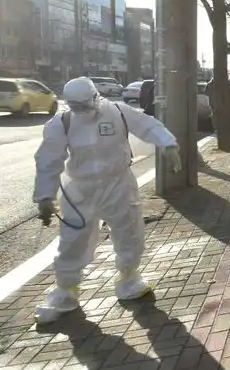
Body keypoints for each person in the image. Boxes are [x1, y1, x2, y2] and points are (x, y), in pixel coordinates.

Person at [31, 76, 182, 323]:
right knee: (72, 240)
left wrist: (168, 144)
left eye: (85, 105)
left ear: (95, 97)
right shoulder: (63, 122)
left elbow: (148, 125)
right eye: (75, 106)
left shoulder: (119, 113)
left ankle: (129, 279)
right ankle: (66, 291)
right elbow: (48, 159)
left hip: (118, 182)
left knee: (129, 231)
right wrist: (44, 196)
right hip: (80, 188)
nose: (81, 111)